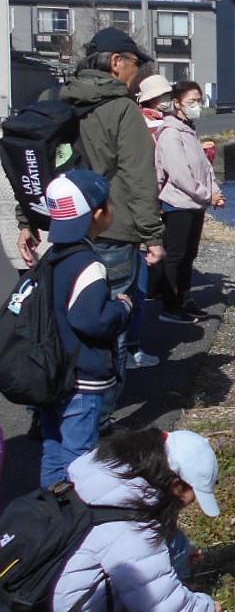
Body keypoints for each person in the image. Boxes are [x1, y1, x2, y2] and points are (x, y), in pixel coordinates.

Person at [22, 27, 166, 374]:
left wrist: (28, 220)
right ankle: (102, 399)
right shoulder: (122, 109)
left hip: (61, 228)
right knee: (110, 318)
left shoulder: (52, 98)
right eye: (136, 64)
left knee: (65, 315)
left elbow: (35, 166)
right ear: (116, 62)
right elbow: (139, 176)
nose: (138, 73)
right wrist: (153, 236)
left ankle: (63, 392)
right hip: (111, 228)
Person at [51, 427, 224, 612]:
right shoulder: (132, 525)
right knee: (141, 605)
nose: (190, 505)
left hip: (55, 575)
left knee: (176, 545)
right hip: (69, 606)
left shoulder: (106, 473)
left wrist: (181, 550)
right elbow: (162, 607)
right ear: (176, 486)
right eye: (192, 497)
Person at [35, 171, 133, 489]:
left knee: (53, 447)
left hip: (52, 372)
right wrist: (121, 307)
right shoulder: (89, 264)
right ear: (98, 215)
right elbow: (92, 320)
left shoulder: (51, 256)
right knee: (79, 457)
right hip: (81, 379)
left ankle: (50, 504)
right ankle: (77, 510)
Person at [151, 80, 225, 324]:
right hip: (177, 203)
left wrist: (214, 191)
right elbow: (180, 174)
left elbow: (204, 166)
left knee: (189, 255)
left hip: (194, 203)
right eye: (191, 101)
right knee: (176, 255)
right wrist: (207, 195)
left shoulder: (190, 130)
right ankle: (170, 306)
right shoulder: (170, 133)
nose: (197, 106)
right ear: (177, 103)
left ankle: (184, 299)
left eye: (199, 101)